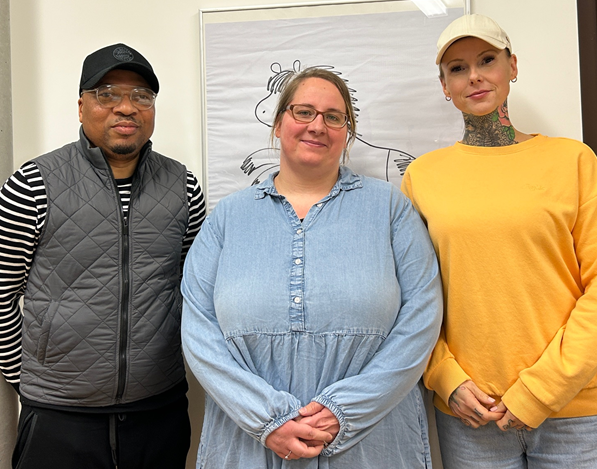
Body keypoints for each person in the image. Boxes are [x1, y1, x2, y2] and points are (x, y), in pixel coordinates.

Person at [180, 67, 443, 468]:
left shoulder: (390, 209)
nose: (317, 126)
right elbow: (199, 331)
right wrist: (267, 419)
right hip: (247, 443)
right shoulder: (228, 218)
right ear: (278, 123)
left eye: (333, 117)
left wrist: (345, 411)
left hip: (371, 442)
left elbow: (422, 319)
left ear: (347, 133)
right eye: (303, 112)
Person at [401, 14, 597, 469]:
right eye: (458, 68)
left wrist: (540, 391)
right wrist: (445, 378)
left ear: (513, 66)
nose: (474, 76)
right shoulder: (423, 176)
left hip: (575, 411)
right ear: (444, 86)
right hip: (472, 414)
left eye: (487, 60)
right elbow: (412, 297)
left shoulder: (573, 160)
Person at [0, 43, 206, 468]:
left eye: (141, 96)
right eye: (107, 94)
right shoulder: (31, 186)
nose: (126, 107)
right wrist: (34, 381)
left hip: (160, 413)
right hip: (59, 420)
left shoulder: (184, 187)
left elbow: (197, 294)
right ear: (81, 107)